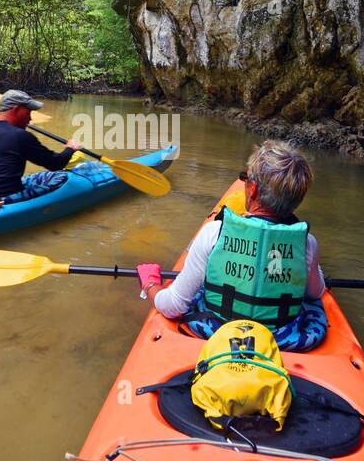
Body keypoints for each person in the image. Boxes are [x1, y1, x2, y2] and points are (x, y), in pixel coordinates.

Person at [136, 140, 329, 352]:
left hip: (219, 332)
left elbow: (172, 306)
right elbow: (316, 292)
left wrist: (150, 285)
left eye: (246, 179)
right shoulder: (306, 243)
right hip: (281, 340)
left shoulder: (214, 233)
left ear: (253, 189)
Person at [0, 89, 82, 202]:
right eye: (28, 113)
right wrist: (70, 149)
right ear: (16, 109)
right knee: (62, 176)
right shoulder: (20, 136)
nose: (30, 119)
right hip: (6, 197)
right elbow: (55, 164)